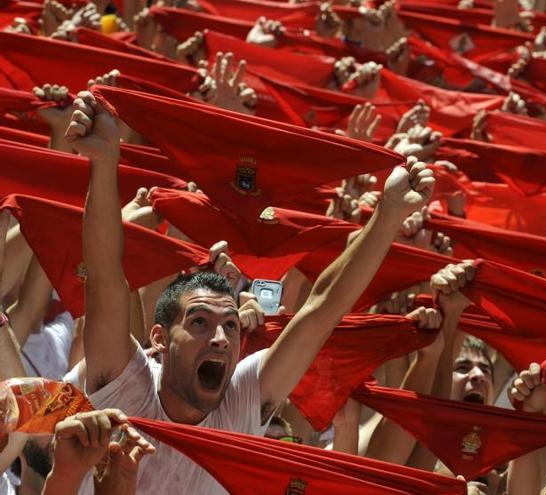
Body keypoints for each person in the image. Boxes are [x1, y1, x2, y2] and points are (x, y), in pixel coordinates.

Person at [65, 90, 434, 493]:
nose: (222, 340)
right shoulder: (125, 385)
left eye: (230, 326)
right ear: (159, 339)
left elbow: (322, 309)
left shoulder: (240, 400)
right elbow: (104, 280)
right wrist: (104, 163)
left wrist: (389, 215)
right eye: (201, 322)